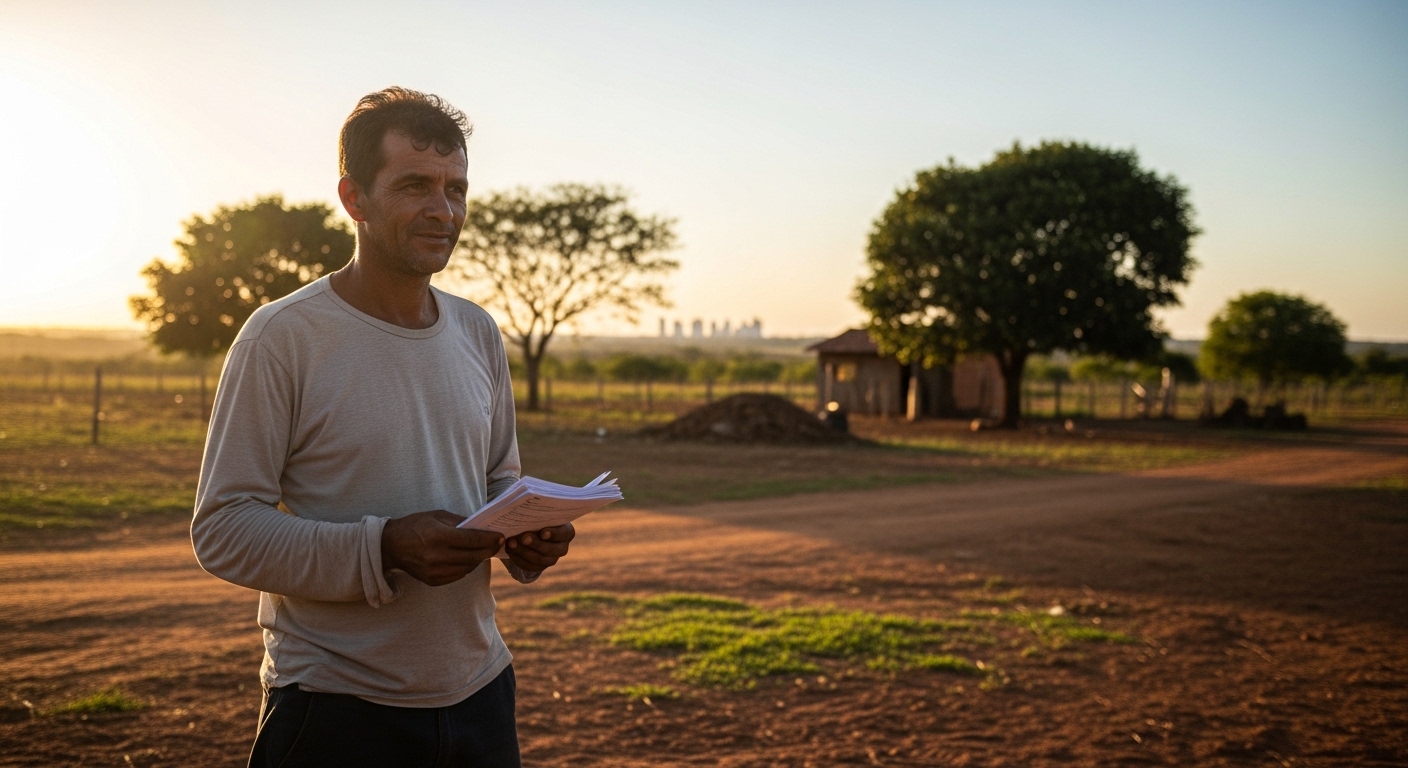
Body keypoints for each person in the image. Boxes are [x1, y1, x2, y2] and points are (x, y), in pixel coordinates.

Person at [192, 87, 573, 767]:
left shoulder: (477, 331)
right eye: (416, 186)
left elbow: (497, 481)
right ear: (354, 198)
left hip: (481, 693)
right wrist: (384, 547)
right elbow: (223, 529)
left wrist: (525, 534)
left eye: (457, 188)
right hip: (335, 706)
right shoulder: (282, 337)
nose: (444, 210)